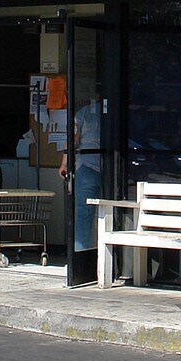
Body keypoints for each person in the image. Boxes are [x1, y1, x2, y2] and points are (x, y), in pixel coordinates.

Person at [62, 99, 104, 254]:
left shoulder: (84, 113)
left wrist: (65, 164)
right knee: (111, 214)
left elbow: (73, 140)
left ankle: (81, 255)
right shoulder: (115, 112)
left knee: (84, 214)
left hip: (86, 166)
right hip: (111, 169)